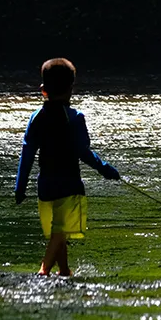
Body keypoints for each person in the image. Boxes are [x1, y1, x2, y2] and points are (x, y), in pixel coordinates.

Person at [14, 57, 121, 276]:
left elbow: (27, 153)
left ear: (43, 90)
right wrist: (106, 169)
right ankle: (44, 270)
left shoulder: (36, 118)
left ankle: (64, 271)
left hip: (45, 186)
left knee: (58, 230)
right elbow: (83, 152)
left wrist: (20, 187)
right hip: (69, 186)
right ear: (71, 88)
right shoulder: (75, 118)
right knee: (60, 231)